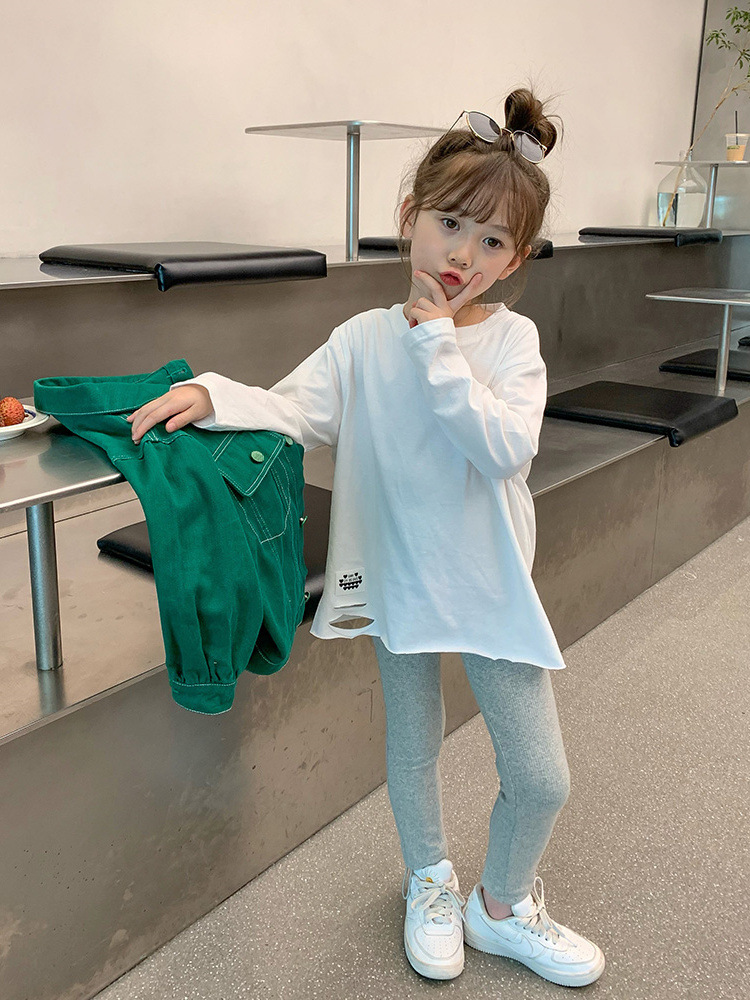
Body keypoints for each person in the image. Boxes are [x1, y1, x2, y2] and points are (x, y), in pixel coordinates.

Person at [127, 86, 605, 988]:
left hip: (488, 583)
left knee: (542, 776)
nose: (462, 255)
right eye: (450, 224)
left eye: (492, 241)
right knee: (414, 744)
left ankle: (501, 907)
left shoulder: (513, 344)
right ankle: (430, 880)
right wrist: (212, 394)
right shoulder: (361, 340)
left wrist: (438, 345)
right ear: (409, 217)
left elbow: (505, 448)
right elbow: (293, 410)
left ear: (516, 259)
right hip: (397, 575)